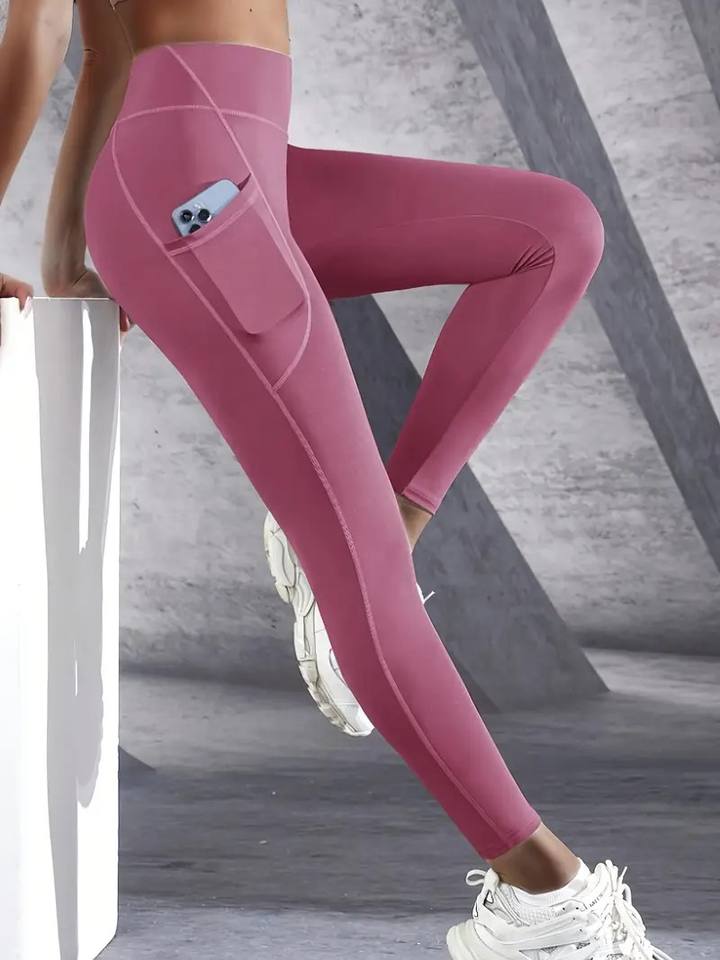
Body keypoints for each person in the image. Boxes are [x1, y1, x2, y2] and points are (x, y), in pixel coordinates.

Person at [0, 2, 672, 958]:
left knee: (556, 231)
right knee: (367, 577)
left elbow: (109, 47)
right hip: (192, 183)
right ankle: (548, 903)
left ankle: (371, 534)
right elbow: (42, 30)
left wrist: (65, 252)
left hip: (251, 163)